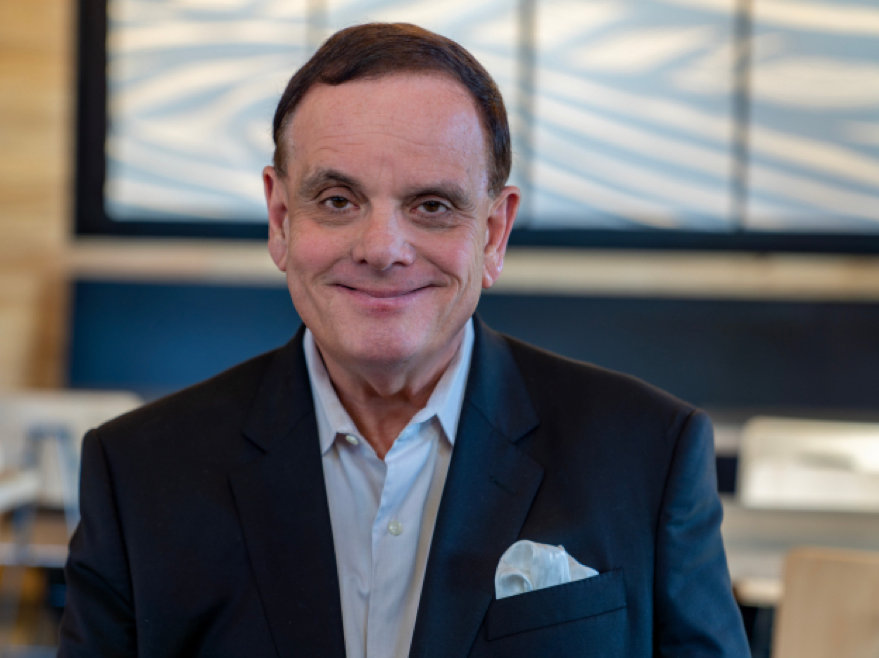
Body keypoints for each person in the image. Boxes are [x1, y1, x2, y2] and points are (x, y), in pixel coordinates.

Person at [59, 22, 750, 658]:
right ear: (280, 218)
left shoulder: (647, 455)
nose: (382, 248)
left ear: (493, 234)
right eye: (338, 201)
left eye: (432, 206)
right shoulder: (137, 473)